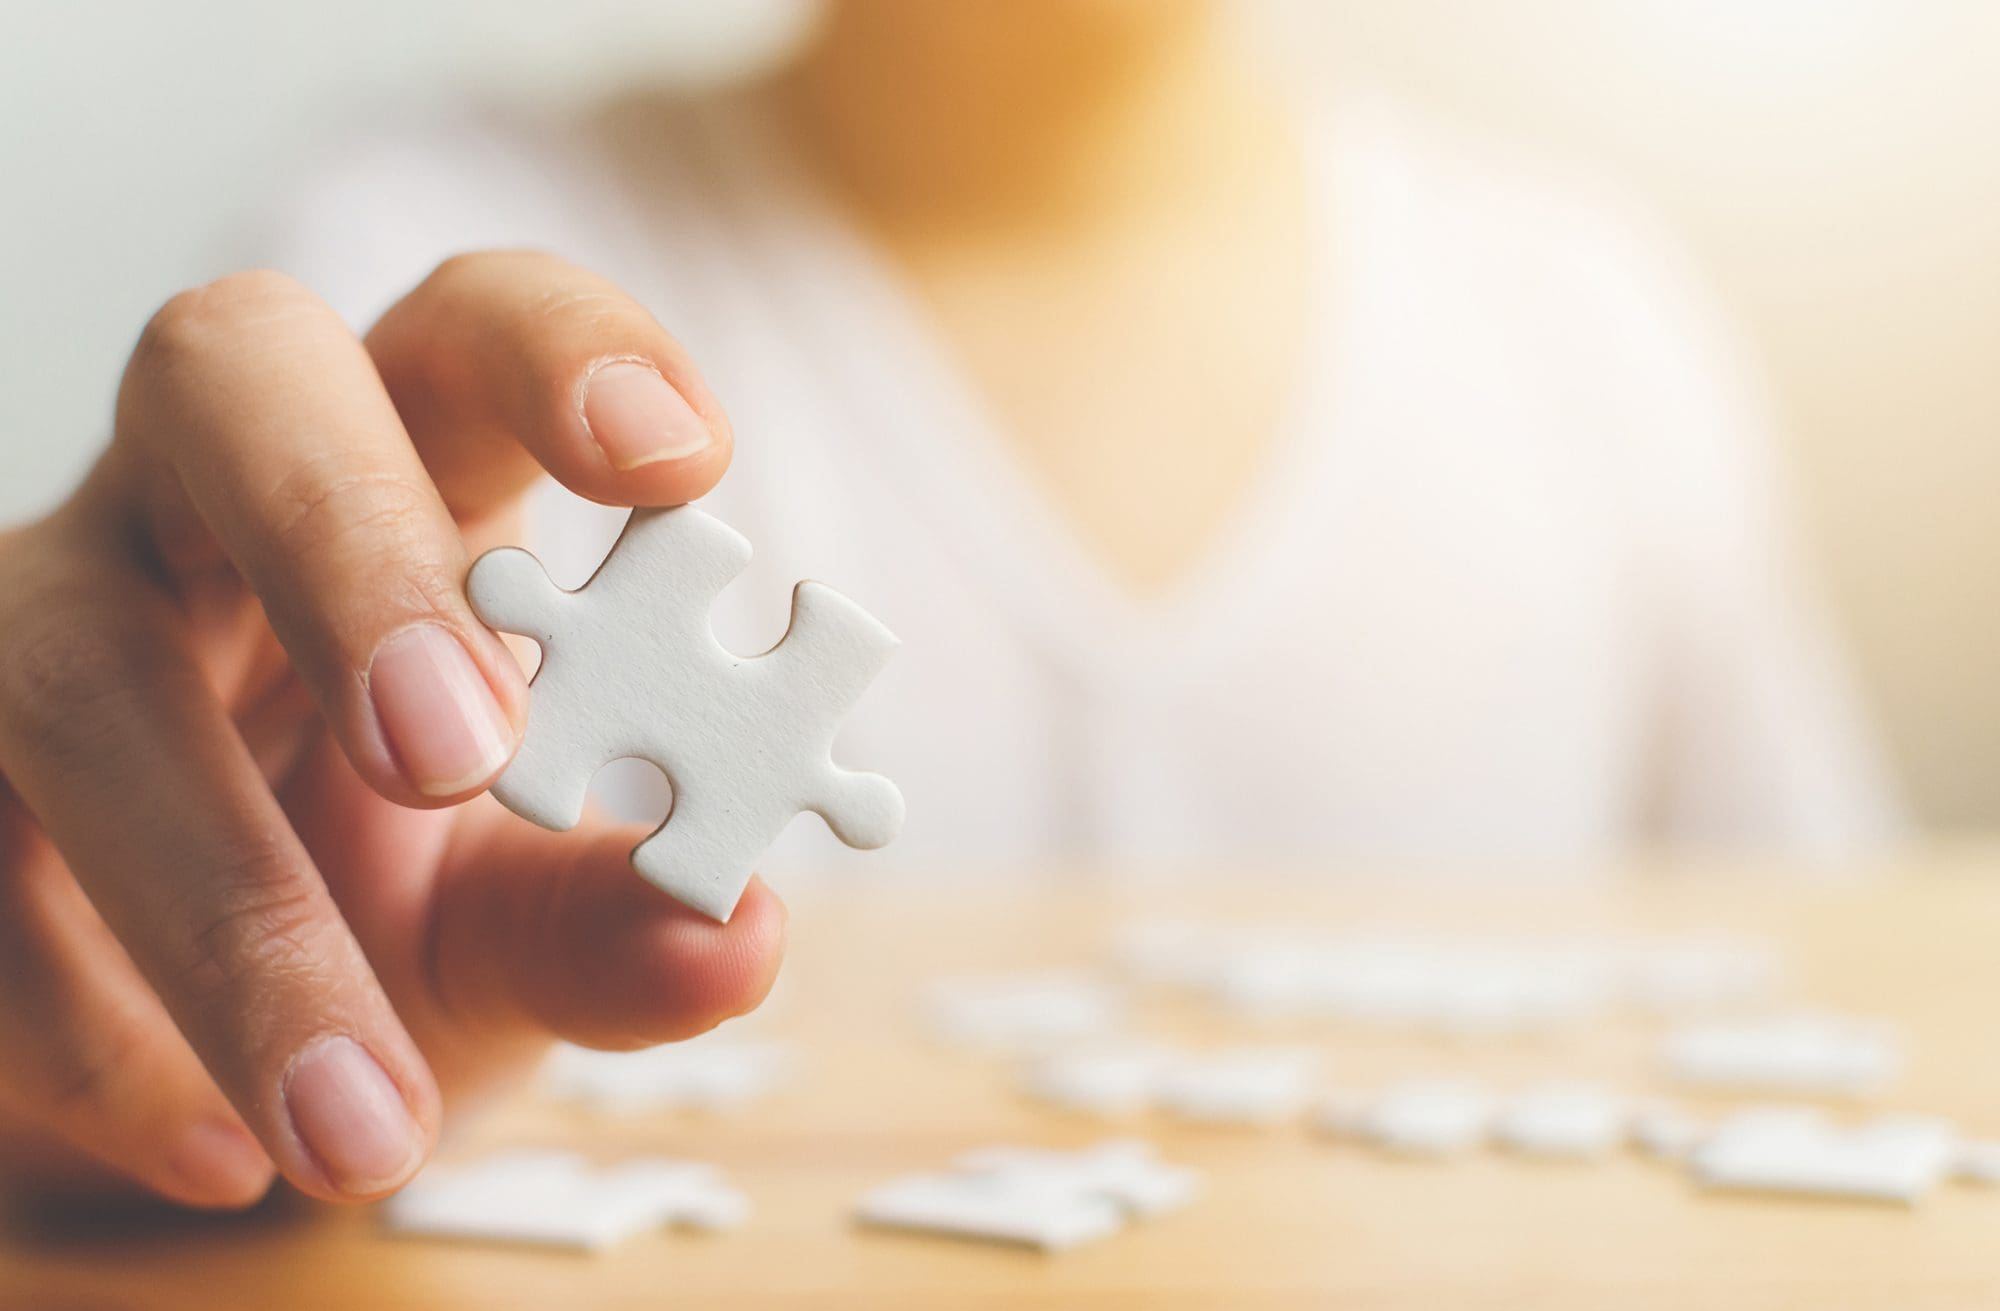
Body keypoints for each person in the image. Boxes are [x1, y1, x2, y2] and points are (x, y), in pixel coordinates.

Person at [0, 1, 1896, 1212]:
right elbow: (161, 931)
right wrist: (95, 1026)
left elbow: (1855, 1008)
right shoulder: (408, 253)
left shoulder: (1587, 319)